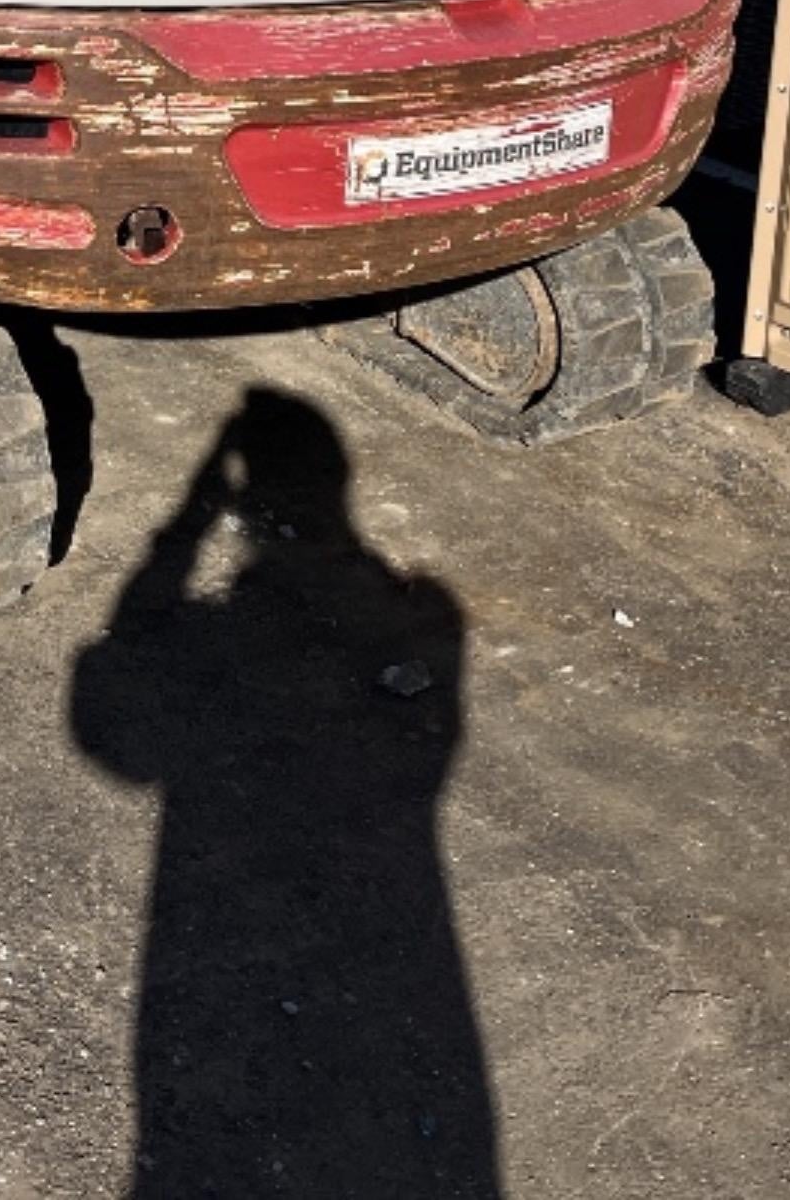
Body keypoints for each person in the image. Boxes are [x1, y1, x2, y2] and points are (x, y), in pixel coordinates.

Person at [70, 387, 500, 1197]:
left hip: (220, 914)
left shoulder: (378, 611)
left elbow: (110, 742)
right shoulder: (419, 609)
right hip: (397, 917)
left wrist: (181, 534)